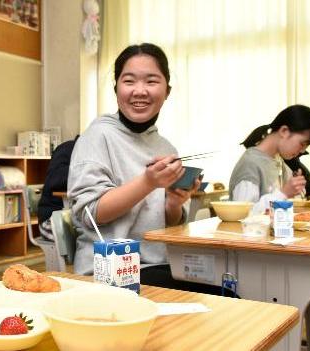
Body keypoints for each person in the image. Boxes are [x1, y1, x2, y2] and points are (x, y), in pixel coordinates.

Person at [67, 43, 209, 292]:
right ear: (116, 89)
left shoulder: (165, 146)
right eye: (129, 81)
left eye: (151, 81)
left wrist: (174, 203)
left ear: (167, 91)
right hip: (106, 271)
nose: (139, 91)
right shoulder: (98, 136)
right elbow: (90, 213)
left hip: (156, 265)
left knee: (223, 289)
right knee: (222, 297)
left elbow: (167, 224)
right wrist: (148, 182)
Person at [229, 105, 310, 211]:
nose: (302, 151)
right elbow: (243, 214)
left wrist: (297, 189)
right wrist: (284, 193)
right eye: (302, 144)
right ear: (284, 131)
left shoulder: (277, 161)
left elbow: (292, 199)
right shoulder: (250, 164)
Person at [36, 136, 77, 241]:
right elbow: (55, 179)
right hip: (52, 219)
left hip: (74, 218)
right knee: (86, 240)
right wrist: (85, 168)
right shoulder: (67, 148)